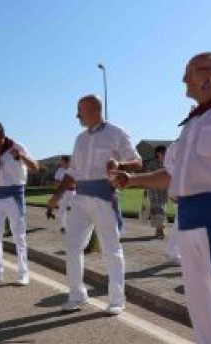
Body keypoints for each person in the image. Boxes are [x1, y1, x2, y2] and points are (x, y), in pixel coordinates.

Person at [110, 52, 211, 344]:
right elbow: (170, 174)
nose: (183, 80)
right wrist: (131, 180)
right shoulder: (193, 123)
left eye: (191, 72)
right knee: (202, 311)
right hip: (190, 221)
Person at [48, 95, 142, 315]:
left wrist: (120, 164)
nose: (77, 115)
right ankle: (76, 294)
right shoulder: (80, 139)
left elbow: (137, 162)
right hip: (80, 198)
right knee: (72, 246)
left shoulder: (117, 133)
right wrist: (56, 197)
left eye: (80, 110)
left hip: (104, 197)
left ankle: (117, 300)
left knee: (111, 249)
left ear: (93, 110)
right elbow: (72, 173)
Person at [0, 121, 40, 286]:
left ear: (1, 134)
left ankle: (23, 273)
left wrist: (21, 156)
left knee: (19, 236)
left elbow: (35, 167)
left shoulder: (17, 146)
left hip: (14, 196)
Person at [148, 145, 169, 239]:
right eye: (163, 152)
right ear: (158, 153)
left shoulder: (167, 163)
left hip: (164, 191)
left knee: (162, 210)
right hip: (154, 191)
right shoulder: (152, 164)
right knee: (157, 210)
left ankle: (159, 230)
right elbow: (148, 176)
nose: (165, 154)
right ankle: (160, 230)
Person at [53, 155, 75, 234]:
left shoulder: (73, 170)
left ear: (66, 161)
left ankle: (71, 227)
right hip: (62, 192)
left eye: (61, 160)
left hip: (73, 192)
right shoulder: (59, 170)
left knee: (71, 209)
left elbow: (76, 182)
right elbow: (56, 182)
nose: (60, 162)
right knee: (62, 210)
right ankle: (63, 227)